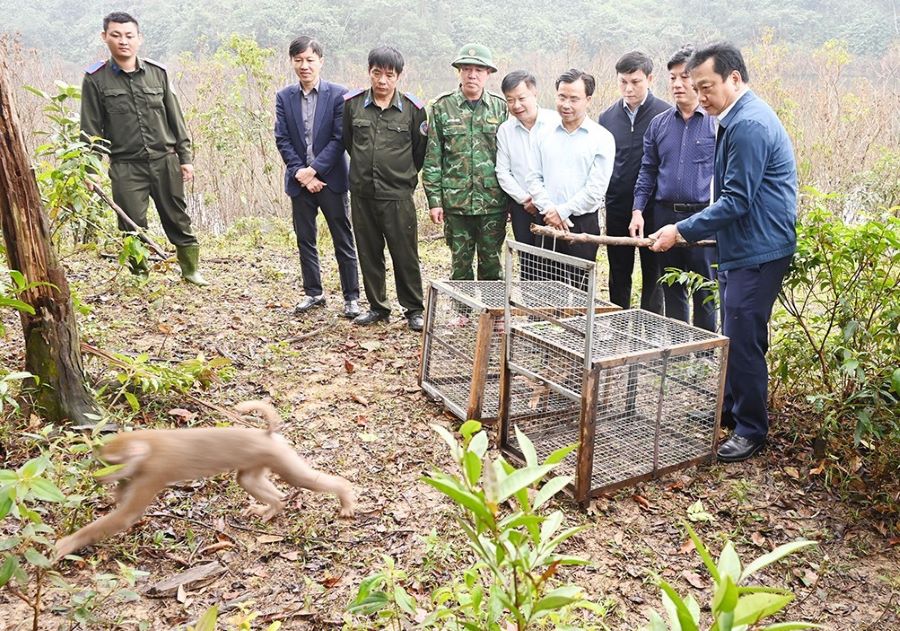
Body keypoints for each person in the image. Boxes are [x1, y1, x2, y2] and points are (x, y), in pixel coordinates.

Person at [650, 43, 797, 462]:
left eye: (707, 87)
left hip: (759, 248)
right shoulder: (733, 119)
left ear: (734, 78)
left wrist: (680, 231)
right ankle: (732, 410)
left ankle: (751, 428)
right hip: (740, 246)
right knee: (734, 334)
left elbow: (736, 200)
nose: (701, 96)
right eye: (696, 87)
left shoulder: (749, 124)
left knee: (745, 339)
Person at [81, 11, 207, 285]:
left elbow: (176, 118)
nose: (123, 41)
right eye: (116, 35)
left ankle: (191, 270)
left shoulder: (157, 73)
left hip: (165, 160)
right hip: (126, 165)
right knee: (131, 223)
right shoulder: (95, 79)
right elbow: (90, 128)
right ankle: (139, 275)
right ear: (105, 38)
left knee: (177, 217)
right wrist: (90, 169)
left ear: (139, 39)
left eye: (129, 35)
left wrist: (185, 157)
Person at [632, 46, 717, 331]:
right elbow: (648, 170)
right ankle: (680, 352)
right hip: (664, 214)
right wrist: (638, 210)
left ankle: (705, 358)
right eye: (672, 78)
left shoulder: (717, 124)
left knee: (705, 290)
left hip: (703, 218)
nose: (678, 84)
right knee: (672, 285)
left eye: (684, 77)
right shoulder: (659, 124)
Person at [275, 36, 360, 318]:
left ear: (321, 62)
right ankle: (314, 293)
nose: (304, 66)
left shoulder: (338, 95)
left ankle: (351, 298)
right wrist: (301, 172)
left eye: (310, 60)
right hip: (300, 182)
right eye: (298, 60)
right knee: (305, 239)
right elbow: (283, 138)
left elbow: (339, 139)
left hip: (331, 180)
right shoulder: (284, 97)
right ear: (292, 62)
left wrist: (314, 170)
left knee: (342, 238)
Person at [342, 46, 427, 331]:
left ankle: (413, 308)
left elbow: (420, 151)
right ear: (369, 72)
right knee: (368, 251)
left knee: (405, 253)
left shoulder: (414, 110)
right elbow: (349, 142)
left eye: (389, 75)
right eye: (377, 73)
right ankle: (378, 307)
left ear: (398, 76)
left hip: (398, 195)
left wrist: (398, 175)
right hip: (363, 192)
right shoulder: (352, 105)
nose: (382, 81)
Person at [422, 43, 508, 281]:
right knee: (460, 263)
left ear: (488, 73)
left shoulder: (501, 108)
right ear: (459, 71)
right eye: (466, 69)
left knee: (492, 262)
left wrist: (512, 200)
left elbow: (510, 157)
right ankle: (462, 315)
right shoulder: (441, 107)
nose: (472, 75)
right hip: (456, 203)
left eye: (479, 70)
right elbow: (433, 158)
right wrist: (435, 201)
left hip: (493, 202)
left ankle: (492, 314)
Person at [525, 69, 615, 288]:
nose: (566, 104)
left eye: (574, 99)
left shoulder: (601, 138)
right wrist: (551, 211)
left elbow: (596, 189)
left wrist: (562, 211)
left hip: (582, 224)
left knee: (580, 289)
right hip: (546, 220)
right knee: (544, 288)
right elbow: (533, 177)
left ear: (588, 100)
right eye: (562, 97)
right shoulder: (542, 133)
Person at [598, 51, 670, 310]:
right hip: (617, 206)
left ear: (650, 78)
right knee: (618, 271)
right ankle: (618, 326)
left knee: (654, 274)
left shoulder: (665, 115)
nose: (628, 89)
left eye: (635, 82)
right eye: (623, 82)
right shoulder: (607, 118)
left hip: (654, 208)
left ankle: (648, 332)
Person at [495, 70, 560, 279]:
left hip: (554, 205)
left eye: (521, 98)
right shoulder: (505, 130)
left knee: (555, 261)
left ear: (534, 94)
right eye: (510, 100)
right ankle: (532, 310)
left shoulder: (555, 122)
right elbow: (502, 171)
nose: (516, 105)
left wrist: (543, 200)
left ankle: (557, 310)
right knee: (528, 261)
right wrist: (525, 199)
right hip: (522, 205)